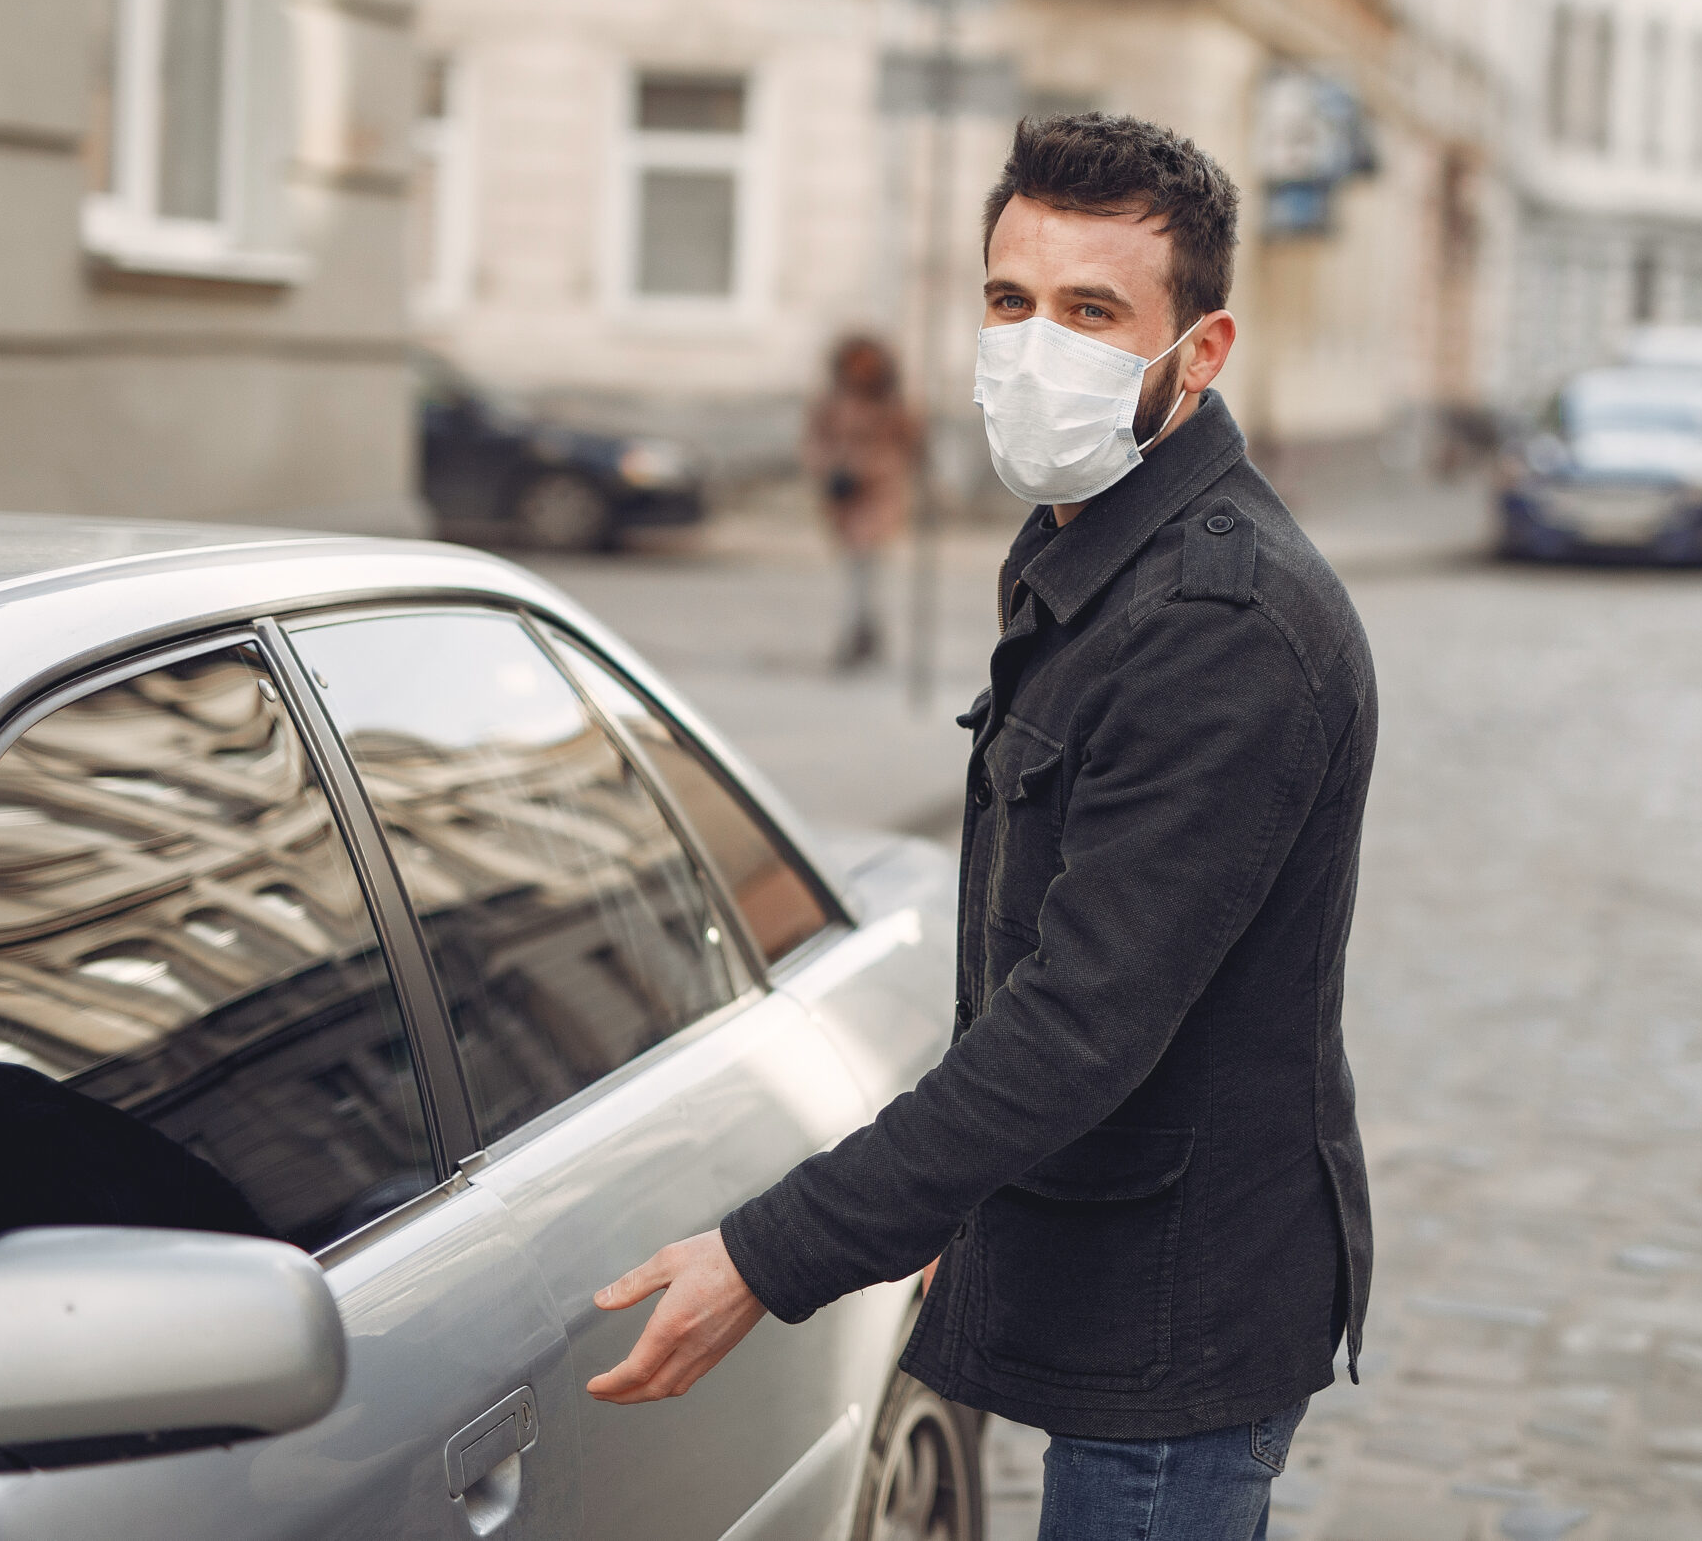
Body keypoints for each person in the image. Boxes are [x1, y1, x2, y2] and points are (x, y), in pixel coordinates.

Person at [585, 113, 1378, 1541]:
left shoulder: (1221, 621)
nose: (1033, 346)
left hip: (1181, 1312)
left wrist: (770, 1255)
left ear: (1199, 352)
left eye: (1091, 312)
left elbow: (1078, 1018)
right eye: (1011, 301)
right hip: (1117, 1244)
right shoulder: (1096, 536)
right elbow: (1030, 948)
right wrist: (971, 1211)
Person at [804, 334, 921, 670]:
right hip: (843, 497)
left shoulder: (891, 403)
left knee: (864, 566)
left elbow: (909, 447)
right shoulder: (833, 401)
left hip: (879, 496)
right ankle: (869, 633)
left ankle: (854, 638)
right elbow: (815, 441)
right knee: (857, 567)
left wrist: (869, 469)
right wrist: (829, 470)